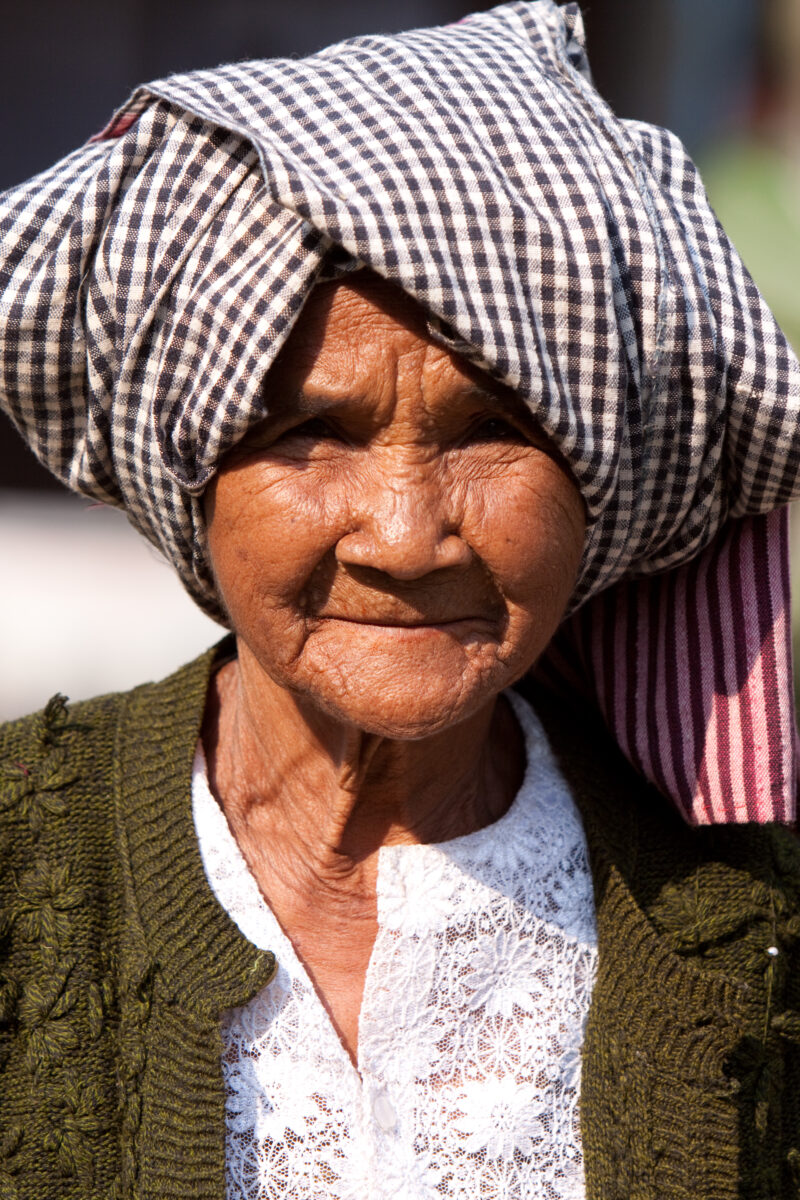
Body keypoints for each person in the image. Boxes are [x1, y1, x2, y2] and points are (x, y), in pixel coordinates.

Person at [1, 3, 799, 1198]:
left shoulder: (750, 923)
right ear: (193, 473)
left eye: (493, 432)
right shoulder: (24, 857)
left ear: (599, 480)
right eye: (313, 434)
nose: (406, 534)